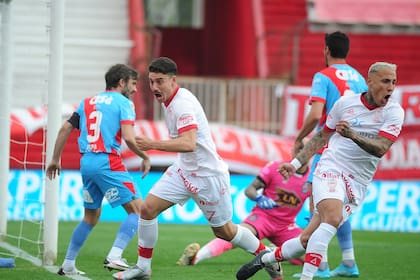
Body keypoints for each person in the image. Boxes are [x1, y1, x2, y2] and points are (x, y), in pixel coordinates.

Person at [112, 57, 281, 280]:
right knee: (147, 209)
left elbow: (188, 143)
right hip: (184, 169)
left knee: (224, 231)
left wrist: (152, 144)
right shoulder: (170, 100)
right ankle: (143, 267)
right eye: (151, 82)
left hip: (208, 176)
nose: (154, 87)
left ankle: (267, 255)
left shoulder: (182, 105)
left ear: (173, 80)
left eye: (160, 81)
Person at [236, 61, 404, 280]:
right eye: (385, 81)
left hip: (358, 182)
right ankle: (308, 277)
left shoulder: (394, 112)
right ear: (369, 81)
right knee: (332, 217)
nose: (390, 87)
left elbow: (381, 148)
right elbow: (322, 136)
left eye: (393, 82)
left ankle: (267, 258)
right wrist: (296, 164)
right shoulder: (345, 104)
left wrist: (352, 134)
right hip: (331, 166)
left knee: (307, 239)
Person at [46, 64, 151, 276]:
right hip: (108, 162)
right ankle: (115, 255)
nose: (135, 89)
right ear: (121, 82)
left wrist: (55, 159)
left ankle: (68, 264)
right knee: (139, 211)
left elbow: (65, 128)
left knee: (90, 218)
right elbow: (129, 138)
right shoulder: (124, 103)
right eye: (133, 84)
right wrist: (144, 156)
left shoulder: (87, 102)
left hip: (87, 164)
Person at [292, 31, 367, 278]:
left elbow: (315, 115)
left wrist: (299, 138)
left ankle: (321, 265)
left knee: (320, 208)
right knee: (339, 208)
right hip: (354, 151)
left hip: (329, 149)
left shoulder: (323, 76)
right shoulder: (360, 78)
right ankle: (348, 261)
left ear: (326, 50)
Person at [176, 160, 311, 270]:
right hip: (263, 217)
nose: (301, 150)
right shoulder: (277, 167)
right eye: (299, 146)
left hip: (286, 226)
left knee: (308, 258)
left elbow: (317, 201)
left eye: (304, 148)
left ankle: (274, 252)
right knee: (234, 234)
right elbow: (250, 190)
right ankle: (197, 257)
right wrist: (259, 198)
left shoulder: (312, 177)